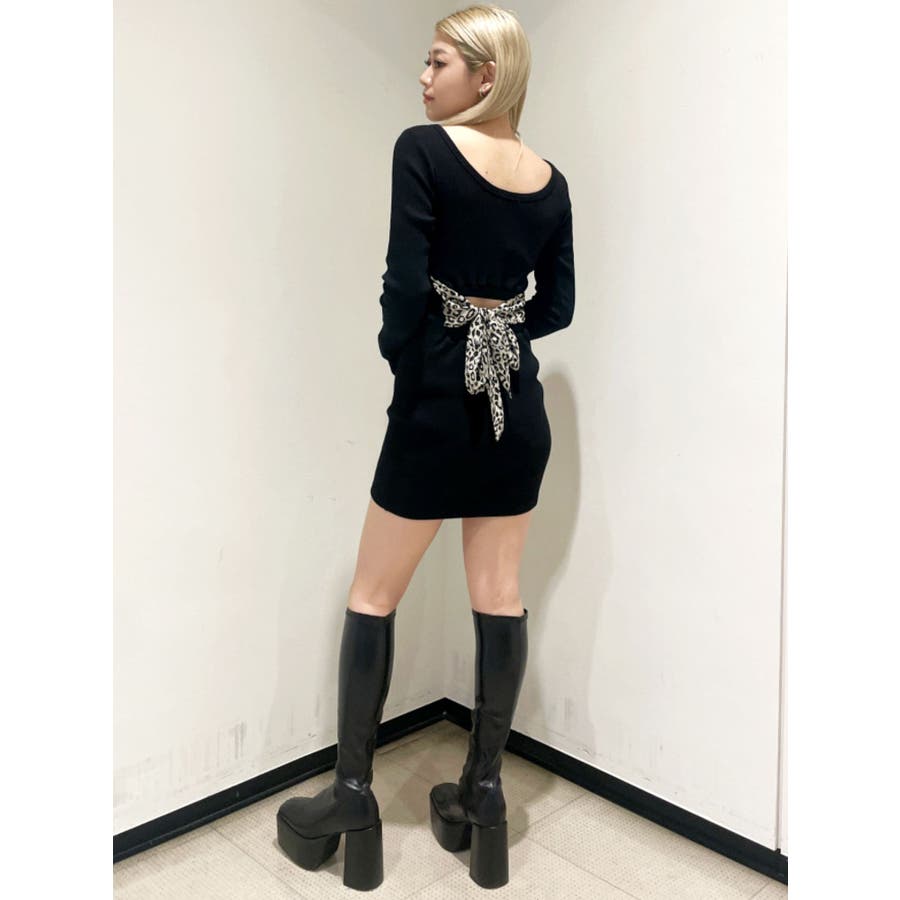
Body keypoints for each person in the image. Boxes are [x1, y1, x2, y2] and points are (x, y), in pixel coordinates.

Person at [276, 4, 575, 891]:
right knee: (502, 596)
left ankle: (353, 799)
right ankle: (483, 799)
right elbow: (557, 306)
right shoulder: (552, 181)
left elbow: (405, 282)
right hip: (516, 405)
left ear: (487, 75)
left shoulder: (423, 149)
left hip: (437, 398)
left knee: (373, 593)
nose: (422, 76)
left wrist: (412, 356)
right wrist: (498, 327)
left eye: (437, 60)